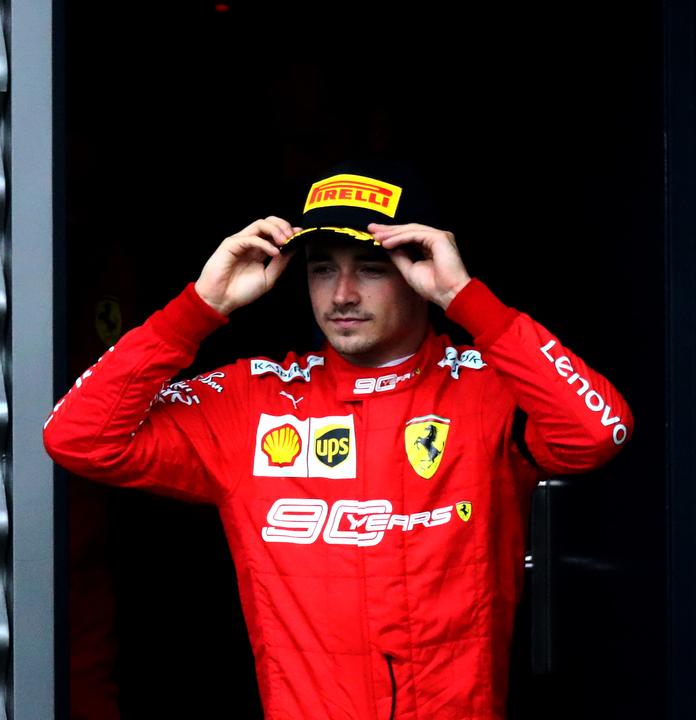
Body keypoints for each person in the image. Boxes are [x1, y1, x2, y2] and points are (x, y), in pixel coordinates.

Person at [42, 160, 633, 719]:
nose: (342, 294)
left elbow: (597, 433)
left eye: (371, 268)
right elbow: (77, 436)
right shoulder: (250, 402)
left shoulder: (487, 388)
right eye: (323, 267)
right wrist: (200, 306)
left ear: (419, 270)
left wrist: (466, 298)